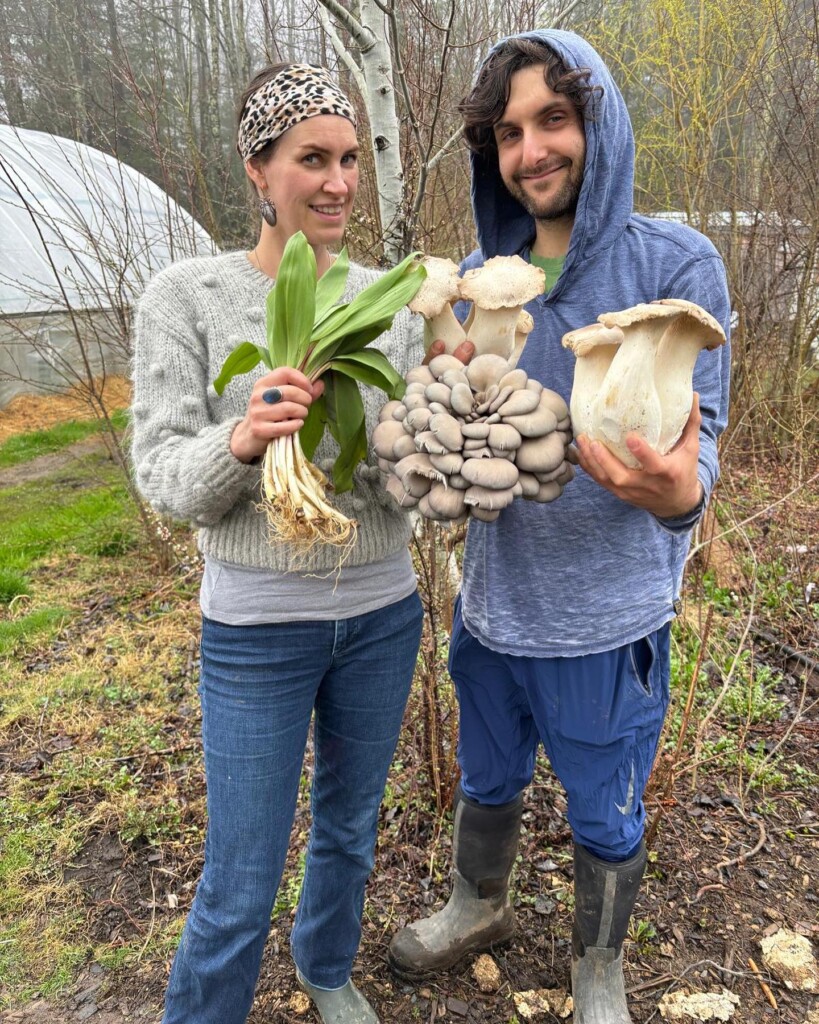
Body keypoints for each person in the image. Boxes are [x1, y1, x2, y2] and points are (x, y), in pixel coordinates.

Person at [388, 30, 731, 1024]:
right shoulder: (477, 275)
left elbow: (701, 445)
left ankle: (599, 970)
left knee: (606, 805)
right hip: (495, 607)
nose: (531, 150)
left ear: (601, 124)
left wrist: (674, 493)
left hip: (608, 617)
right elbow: (451, 432)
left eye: (555, 119)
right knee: (488, 775)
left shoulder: (678, 264)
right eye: (508, 132)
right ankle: (476, 904)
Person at [131, 63, 427, 1024]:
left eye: (349, 158)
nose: (338, 180)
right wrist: (245, 439)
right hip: (256, 630)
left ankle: (327, 966)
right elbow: (164, 475)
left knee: (348, 827)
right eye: (311, 158)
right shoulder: (187, 296)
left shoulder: (391, 302)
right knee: (242, 871)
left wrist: (442, 445)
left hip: (382, 613)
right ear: (258, 171)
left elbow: (400, 480)